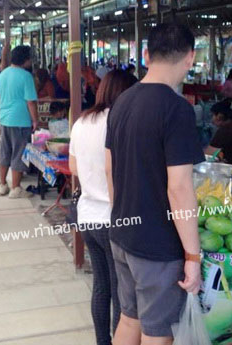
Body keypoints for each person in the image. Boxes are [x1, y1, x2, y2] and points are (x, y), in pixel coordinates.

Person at [105, 24, 204, 344]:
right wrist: (193, 256)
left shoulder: (122, 100)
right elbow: (179, 188)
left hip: (122, 233)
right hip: (157, 246)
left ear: (146, 55)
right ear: (190, 58)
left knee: (130, 318)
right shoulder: (177, 110)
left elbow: (110, 169)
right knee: (157, 332)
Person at [68, 70, 137, 345]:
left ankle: (102, 341)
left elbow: (73, 167)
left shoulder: (82, 121)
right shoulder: (122, 122)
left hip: (87, 217)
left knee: (101, 286)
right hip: (114, 218)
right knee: (122, 289)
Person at [0, 45, 39, 198]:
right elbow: (30, 102)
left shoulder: (3, 74)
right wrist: (35, 120)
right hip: (20, 120)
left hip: (5, 119)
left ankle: (2, 185)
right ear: (25, 59)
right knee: (19, 153)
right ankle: (16, 188)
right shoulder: (25, 76)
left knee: (5, 152)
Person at [204, 98, 232, 165]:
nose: (212, 119)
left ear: (219, 116)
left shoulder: (225, 131)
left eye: (213, 115)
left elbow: (209, 153)